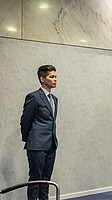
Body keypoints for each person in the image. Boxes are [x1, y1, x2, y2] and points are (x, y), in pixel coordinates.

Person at [20, 65, 58, 200]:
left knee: (46, 180)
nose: (55, 79)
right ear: (42, 79)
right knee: (35, 180)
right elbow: (25, 121)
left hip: (51, 144)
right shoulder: (34, 97)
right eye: (51, 77)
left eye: (55, 76)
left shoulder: (54, 99)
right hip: (36, 145)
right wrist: (30, 139)